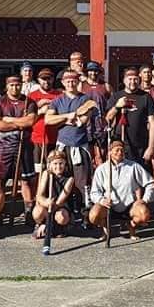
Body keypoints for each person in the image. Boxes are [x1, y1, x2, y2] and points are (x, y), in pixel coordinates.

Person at [45, 71, 96, 214]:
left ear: (77, 82)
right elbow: (48, 120)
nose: (70, 84)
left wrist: (61, 120)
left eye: (73, 81)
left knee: (82, 182)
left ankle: (84, 213)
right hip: (62, 147)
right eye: (67, 81)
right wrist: (67, 116)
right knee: (62, 178)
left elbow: (82, 121)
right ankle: (64, 211)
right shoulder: (57, 100)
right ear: (63, 83)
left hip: (80, 146)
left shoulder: (86, 99)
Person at [0, 75, 38, 222]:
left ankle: (29, 212)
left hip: (24, 146)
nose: (15, 88)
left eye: (17, 85)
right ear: (7, 86)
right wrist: (19, 124)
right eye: (11, 85)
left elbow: (31, 121)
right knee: (0, 181)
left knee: (26, 181)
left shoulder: (29, 102)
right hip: (3, 148)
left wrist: (10, 120)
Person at [89, 139, 154, 240]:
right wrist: (102, 200)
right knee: (93, 216)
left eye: (121, 150)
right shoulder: (102, 169)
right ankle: (105, 228)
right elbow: (94, 192)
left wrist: (144, 200)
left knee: (143, 215)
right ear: (110, 151)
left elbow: (151, 183)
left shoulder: (133, 166)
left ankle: (131, 226)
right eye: (116, 150)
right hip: (109, 205)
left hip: (130, 206)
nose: (119, 152)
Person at [106, 67, 154, 166]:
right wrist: (117, 106)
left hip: (140, 145)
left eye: (135, 79)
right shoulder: (116, 96)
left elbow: (153, 123)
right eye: (130, 79)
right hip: (120, 144)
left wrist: (151, 147)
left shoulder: (146, 97)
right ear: (124, 80)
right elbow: (108, 118)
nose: (133, 82)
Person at [31, 149, 75, 239]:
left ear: (65, 164)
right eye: (55, 164)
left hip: (60, 207)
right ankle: (40, 225)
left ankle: (58, 227)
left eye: (61, 163)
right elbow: (39, 196)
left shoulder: (70, 179)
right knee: (37, 212)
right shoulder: (46, 174)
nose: (58, 166)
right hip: (47, 205)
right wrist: (46, 202)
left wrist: (47, 224)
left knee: (61, 217)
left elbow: (60, 201)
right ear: (50, 165)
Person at [28, 68, 60, 172]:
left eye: (49, 78)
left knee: (54, 170)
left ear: (53, 79)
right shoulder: (32, 96)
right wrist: (40, 110)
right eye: (43, 79)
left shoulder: (59, 95)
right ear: (38, 80)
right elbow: (25, 117)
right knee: (38, 170)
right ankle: (38, 188)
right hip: (37, 138)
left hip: (55, 138)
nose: (46, 81)